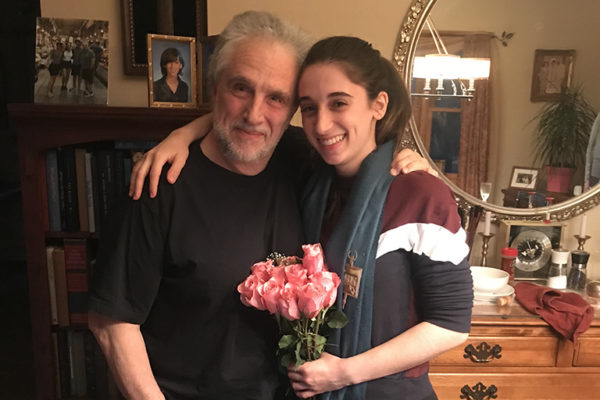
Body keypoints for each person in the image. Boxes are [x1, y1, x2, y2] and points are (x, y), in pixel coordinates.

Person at [90, 11, 432, 400]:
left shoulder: (304, 162)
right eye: (240, 88)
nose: (255, 114)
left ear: (292, 110)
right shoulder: (159, 184)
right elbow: (111, 321)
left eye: (276, 97)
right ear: (214, 88)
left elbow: (361, 152)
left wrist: (409, 165)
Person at [286, 36, 473, 400]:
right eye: (308, 108)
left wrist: (341, 373)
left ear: (378, 105)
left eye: (339, 103)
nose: (322, 125)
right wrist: (181, 136)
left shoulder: (420, 194)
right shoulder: (307, 185)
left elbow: (451, 325)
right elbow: (246, 123)